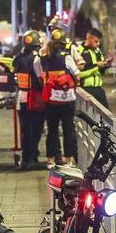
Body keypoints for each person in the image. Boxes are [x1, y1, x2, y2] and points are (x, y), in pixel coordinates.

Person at [36, 35, 80, 166]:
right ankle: (68, 159)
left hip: (51, 101)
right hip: (68, 100)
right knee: (68, 129)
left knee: (52, 131)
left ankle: (50, 160)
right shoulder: (66, 58)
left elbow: (40, 78)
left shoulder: (42, 61)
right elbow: (77, 75)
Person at [14, 30, 46, 170]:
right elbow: (40, 79)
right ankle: (32, 158)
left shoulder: (18, 58)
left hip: (21, 98)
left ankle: (25, 159)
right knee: (36, 129)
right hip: (34, 98)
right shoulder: (36, 59)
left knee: (25, 130)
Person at [77, 28, 111, 109]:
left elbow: (101, 70)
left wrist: (105, 65)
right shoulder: (78, 51)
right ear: (88, 38)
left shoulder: (97, 51)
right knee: (87, 117)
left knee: (106, 116)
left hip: (98, 88)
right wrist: (96, 66)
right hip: (84, 89)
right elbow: (78, 73)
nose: (98, 44)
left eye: (99, 41)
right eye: (96, 41)